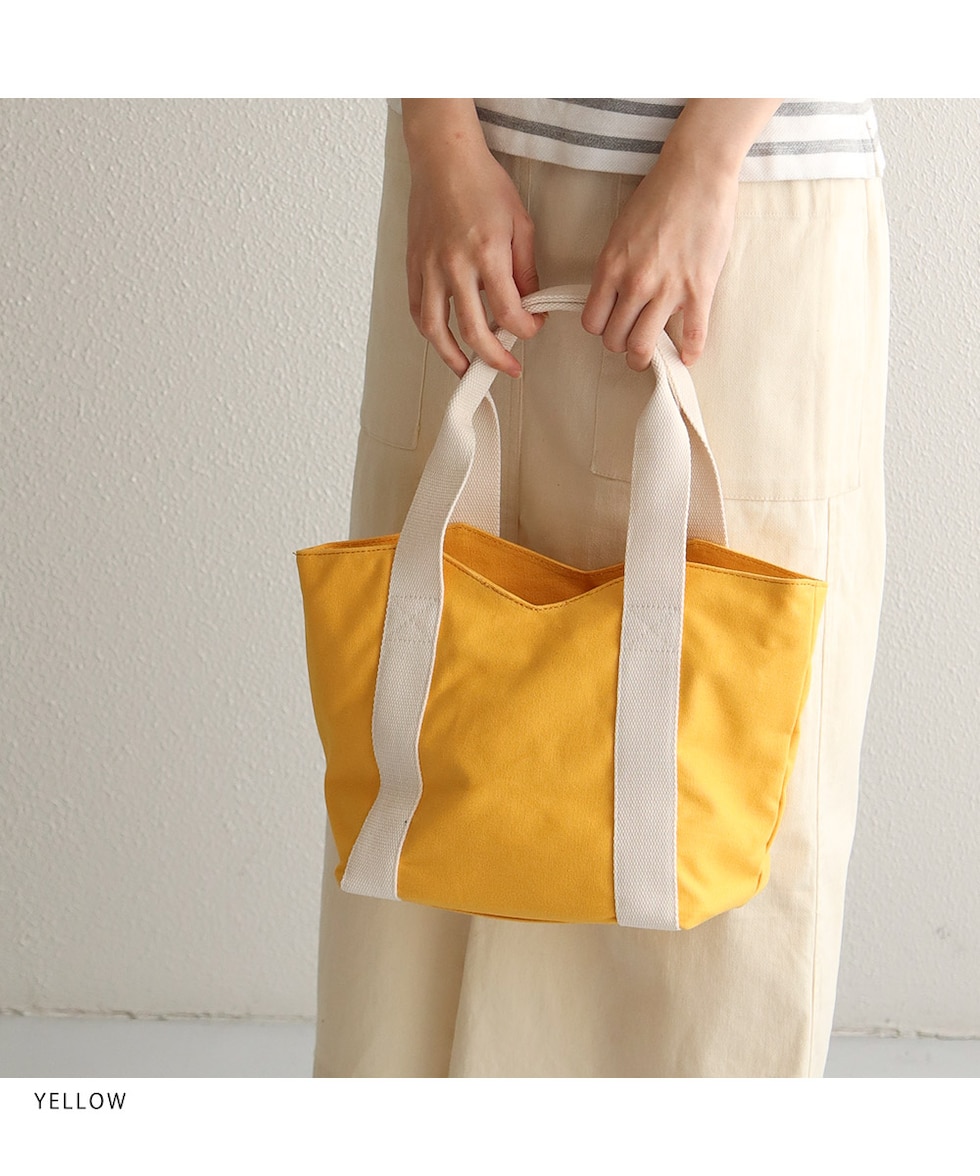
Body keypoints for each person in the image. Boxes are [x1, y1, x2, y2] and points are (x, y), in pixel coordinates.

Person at [312, 97, 890, 1078]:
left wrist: (706, 157)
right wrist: (438, 139)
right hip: (476, 190)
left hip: (746, 201)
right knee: (436, 786)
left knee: (720, 802)